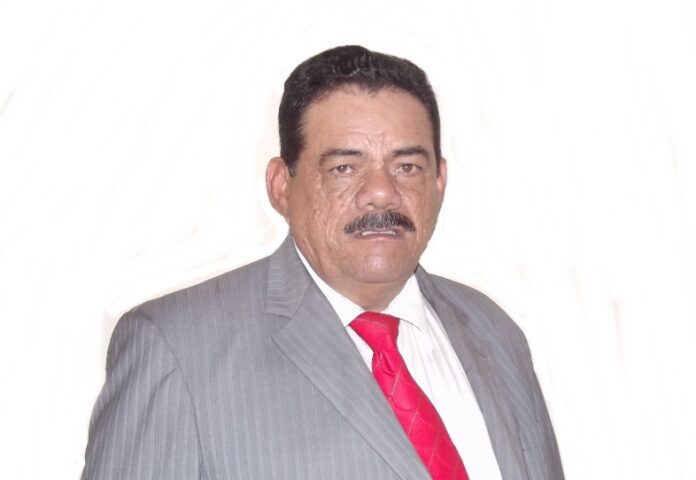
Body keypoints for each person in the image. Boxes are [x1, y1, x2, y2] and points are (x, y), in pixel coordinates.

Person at [82, 45, 564, 480]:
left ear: (439, 182)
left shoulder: (496, 334)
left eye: (407, 166)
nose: (381, 192)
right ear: (281, 186)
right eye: (344, 167)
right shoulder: (176, 349)